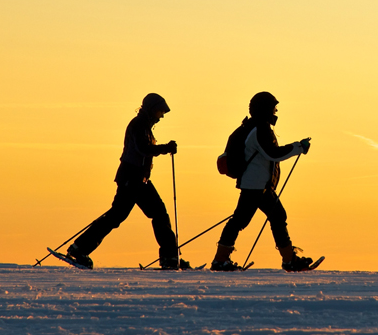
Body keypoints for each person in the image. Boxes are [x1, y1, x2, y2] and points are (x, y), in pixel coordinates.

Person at [67, 93, 189, 270]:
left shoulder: (144, 125)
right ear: (151, 109)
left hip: (137, 179)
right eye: (160, 112)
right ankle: (170, 257)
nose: (161, 116)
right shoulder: (138, 125)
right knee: (132, 215)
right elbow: (143, 149)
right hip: (132, 179)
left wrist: (163, 148)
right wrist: (165, 148)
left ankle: (79, 248)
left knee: (127, 215)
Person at [212, 91, 313, 272]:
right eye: (273, 108)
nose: (275, 112)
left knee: (274, 217)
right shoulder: (260, 129)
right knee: (241, 221)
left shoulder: (254, 127)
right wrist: (299, 147)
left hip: (259, 185)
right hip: (255, 186)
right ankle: (220, 260)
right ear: (265, 109)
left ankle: (289, 259)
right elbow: (273, 154)